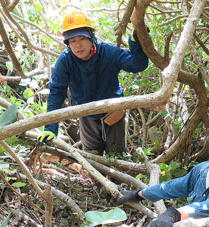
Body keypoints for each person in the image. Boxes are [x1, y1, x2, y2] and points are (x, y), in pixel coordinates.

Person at [37, 11, 149, 154]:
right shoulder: (65, 61)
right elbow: (56, 94)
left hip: (113, 112)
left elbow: (136, 65)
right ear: (68, 44)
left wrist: (136, 42)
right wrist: (50, 128)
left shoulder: (108, 52)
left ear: (91, 37)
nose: (78, 45)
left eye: (82, 38)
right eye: (72, 41)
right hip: (86, 116)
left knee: (116, 158)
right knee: (92, 157)